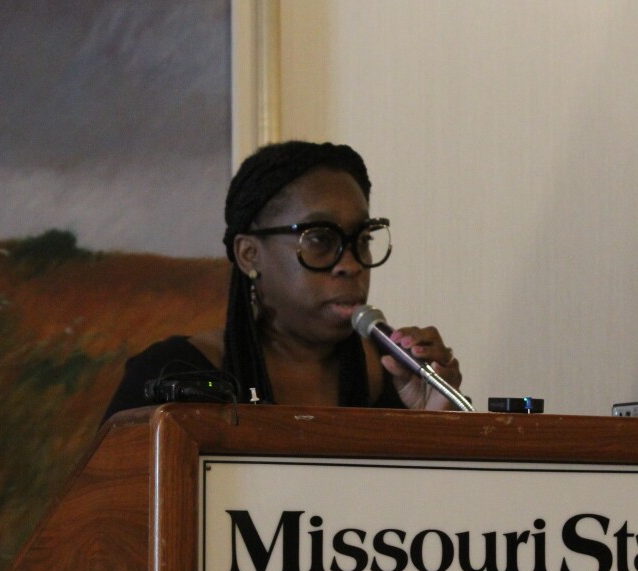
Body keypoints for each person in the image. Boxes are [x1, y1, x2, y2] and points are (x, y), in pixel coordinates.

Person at [102, 140, 463, 421]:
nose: (351, 264)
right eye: (320, 239)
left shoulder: (400, 379)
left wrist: (433, 423)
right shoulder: (171, 376)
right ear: (249, 255)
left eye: (362, 240)